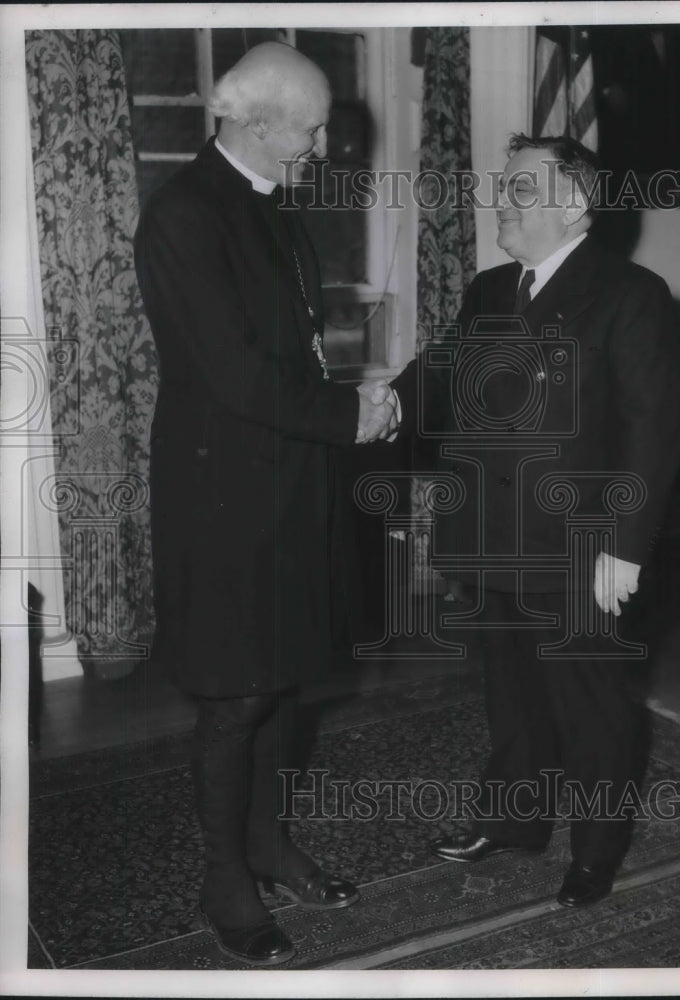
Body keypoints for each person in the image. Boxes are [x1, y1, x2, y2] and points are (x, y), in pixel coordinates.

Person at [134, 42, 398, 966]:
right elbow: (232, 374)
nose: (324, 146)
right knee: (236, 691)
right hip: (224, 494)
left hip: (293, 478)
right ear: (250, 123)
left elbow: (294, 358)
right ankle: (225, 876)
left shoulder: (277, 211)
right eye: (311, 127)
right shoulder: (183, 215)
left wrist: (354, 402)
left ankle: (269, 840)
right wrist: (348, 418)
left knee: (285, 676)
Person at [392, 134, 680, 907]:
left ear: (573, 205)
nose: (502, 200)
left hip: (580, 545)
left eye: (521, 188)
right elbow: (437, 378)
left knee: (589, 705)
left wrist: (624, 549)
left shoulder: (630, 294)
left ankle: (595, 852)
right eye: (503, 186)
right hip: (488, 532)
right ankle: (513, 821)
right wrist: (373, 409)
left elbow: (655, 432)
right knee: (510, 695)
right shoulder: (490, 288)